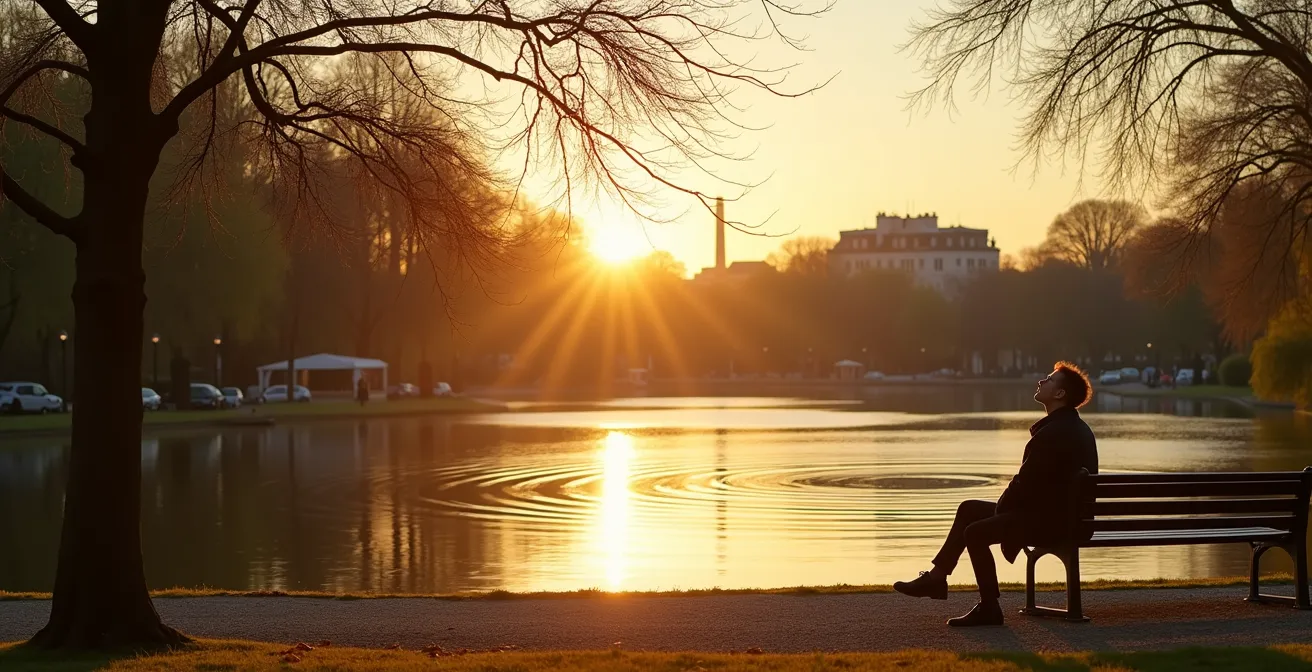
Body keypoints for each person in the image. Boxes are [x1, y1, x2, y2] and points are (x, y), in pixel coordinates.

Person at [893, 361, 1099, 627]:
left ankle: (990, 607)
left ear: (1060, 394)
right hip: (1061, 517)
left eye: (1049, 380)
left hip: (1052, 523)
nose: (1041, 381)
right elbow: (1038, 488)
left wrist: (1002, 517)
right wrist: (1005, 514)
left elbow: (1024, 485)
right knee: (969, 509)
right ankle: (937, 577)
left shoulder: (1053, 433)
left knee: (975, 532)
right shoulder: (1076, 429)